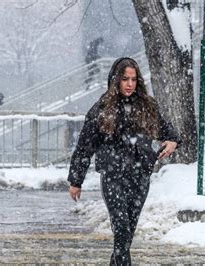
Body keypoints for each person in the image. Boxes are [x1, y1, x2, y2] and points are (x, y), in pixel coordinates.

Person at [67, 57, 180, 265]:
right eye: (125, 79)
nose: (129, 84)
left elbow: (168, 131)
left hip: (140, 176)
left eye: (133, 79)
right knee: (121, 228)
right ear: (116, 80)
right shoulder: (102, 108)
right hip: (113, 176)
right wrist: (76, 180)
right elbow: (84, 146)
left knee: (127, 233)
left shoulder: (147, 106)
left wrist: (172, 141)